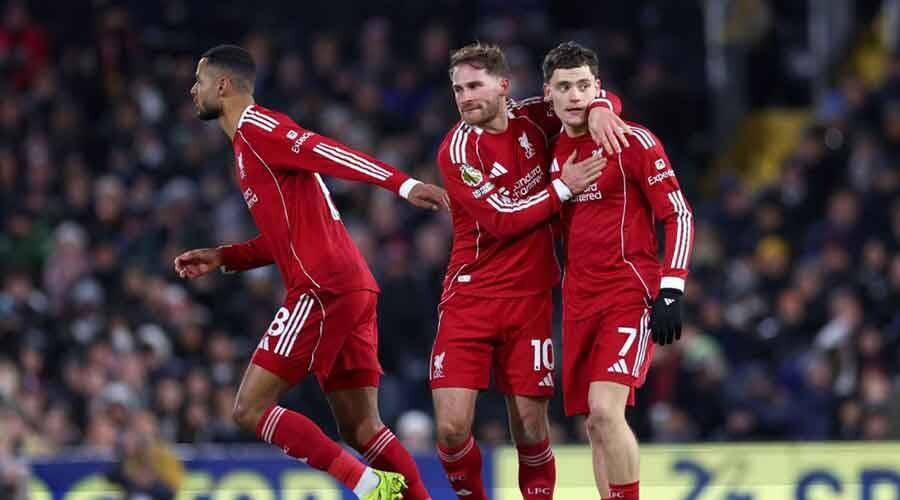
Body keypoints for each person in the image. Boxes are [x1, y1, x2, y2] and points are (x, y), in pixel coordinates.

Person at [175, 44, 447, 500]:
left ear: (222, 86)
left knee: (248, 409)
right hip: (351, 285)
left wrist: (403, 184)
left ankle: (368, 486)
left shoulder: (260, 128)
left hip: (322, 287)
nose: (192, 90)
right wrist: (224, 257)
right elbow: (280, 240)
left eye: (199, 81)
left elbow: (327, 151)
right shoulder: (246, 149)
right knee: (362, 427)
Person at [431, 42, 631, 500]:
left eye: (475, 86)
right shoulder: (457, 150)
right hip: (471, 297)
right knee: (451, 428)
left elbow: (580, 98)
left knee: (530, 427)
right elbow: (502, 220)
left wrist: (604, 107)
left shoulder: (534, 118)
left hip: (531, 299)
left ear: (504, 85)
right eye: (458, 90)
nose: (465, 97)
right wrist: (563, 187)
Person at [543, 41, 694, 500]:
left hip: (628, 292)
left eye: (584, 86)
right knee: (594, 424)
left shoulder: (632, 141)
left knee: (606, 412)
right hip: (578, 300)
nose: (575, 95)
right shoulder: (549, 151)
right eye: (564, 87)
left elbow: (678, 214)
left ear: (598, 87)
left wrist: (671, 288)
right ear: (547, 93)